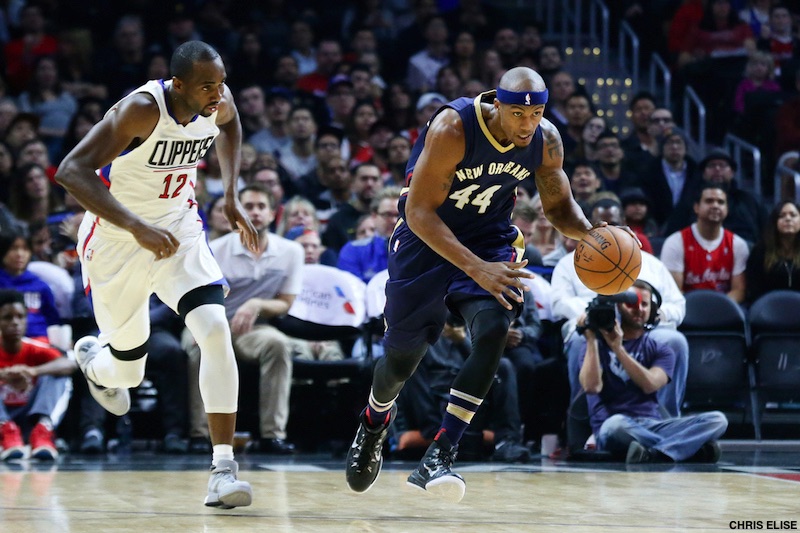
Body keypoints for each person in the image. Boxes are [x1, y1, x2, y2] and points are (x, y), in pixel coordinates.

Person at [345, 67, 593, 502]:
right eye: (518, 114)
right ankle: (374, 420)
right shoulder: (454, 127)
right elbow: (419, 212)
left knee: (495, 326)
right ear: (498, 105)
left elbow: (558, 206)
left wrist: (592, 235)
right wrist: (476, 268)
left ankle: (440, 453)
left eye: (535, 114)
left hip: (489, 238)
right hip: (425, 239)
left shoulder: (545, 140)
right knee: (401, 363)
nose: (527, 124)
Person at [54, 41, 257, 509]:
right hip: (117, 239)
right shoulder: (142, 110)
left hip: (179, 229)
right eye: (207, 86)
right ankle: (95, 364)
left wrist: (230, 193)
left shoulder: (218, 101)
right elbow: (71, 171)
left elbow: (230, 126)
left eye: (221, 83)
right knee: (129, 372)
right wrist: (136, 227)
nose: (218, 94)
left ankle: (223, 470)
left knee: (215, 329)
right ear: (178, 84)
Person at [183, 184, 302, 456]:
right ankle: (200, 434)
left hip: (254, 329)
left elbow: (286, 302)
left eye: (261, 207)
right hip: (209, 322)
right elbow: (195, 295)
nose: (255, 213)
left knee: (278, 345)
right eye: (248, 207)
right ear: (236, 213)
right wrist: (204, 327)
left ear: (273, 213)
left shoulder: (291, 252)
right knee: (198, 348)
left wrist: (256, 304)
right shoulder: (215, 249)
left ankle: (273, 435)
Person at [578, 280, 728, 463]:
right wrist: (591, 339)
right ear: (619, 307)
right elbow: (592, 387)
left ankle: (653, 453)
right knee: (616, 425)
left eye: (644, 304)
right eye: (632, 304)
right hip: (614, 425)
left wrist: (618, 349)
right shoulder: (595, 347)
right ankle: (687, 450)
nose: (639, 309)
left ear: (653, 310)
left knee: (717, 420)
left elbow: (650, 384)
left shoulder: (661, 349)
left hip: (653, 424)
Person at [0, 289, 76, 461]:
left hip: (29, 418)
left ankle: (42, 431)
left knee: (58, 374)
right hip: (4, 421)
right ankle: (5, 430)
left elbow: (69, 364)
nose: (15, 323)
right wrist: (3, 375)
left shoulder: (34, 347)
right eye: (7, 318)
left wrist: (33, 371)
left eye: (20, 317)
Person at [660, 183, 750, 303]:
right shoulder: (675, 242)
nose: (715, 206)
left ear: (727, 209)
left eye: (721, 202)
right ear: (696, 207)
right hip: (688, 309)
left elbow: (738, 291)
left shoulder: (738, 245)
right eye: (709, 201)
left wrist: (716, 308)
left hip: (724, 309)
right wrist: (701, 310)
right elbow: (675, 291)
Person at [745, 200, 800, 304]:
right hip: (768, 308)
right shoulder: (760, 251)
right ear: (775, 222)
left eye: (793, 215)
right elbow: (754, 289)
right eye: (781, 216)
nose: (788, 219)